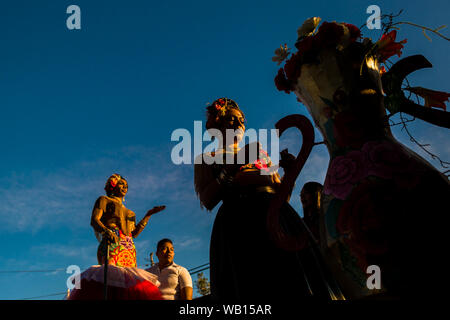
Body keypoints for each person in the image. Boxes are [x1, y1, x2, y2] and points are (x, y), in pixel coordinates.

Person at [194, 97, 323, 300]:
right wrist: (234, 166)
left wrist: (289, 174)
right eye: (231, 119)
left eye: (241, 120)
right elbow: (207, 198)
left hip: (279, 222)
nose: (239, 124)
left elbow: (283, 197)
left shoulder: (259, 153)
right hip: (240, 225)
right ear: (217, 124)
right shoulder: (206, 158)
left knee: (294, 283)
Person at [67, 174, 166, 300]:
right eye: (121, 184)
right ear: (113, 185)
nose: (125, 187)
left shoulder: (131, 212)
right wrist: (105, 231)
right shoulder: (104, 200)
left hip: (129, 248)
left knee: (129, 285)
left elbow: (134, 233)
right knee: (110, 281)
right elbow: (94, 220)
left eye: (126, 186)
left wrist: (148, 215)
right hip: (112, 244)